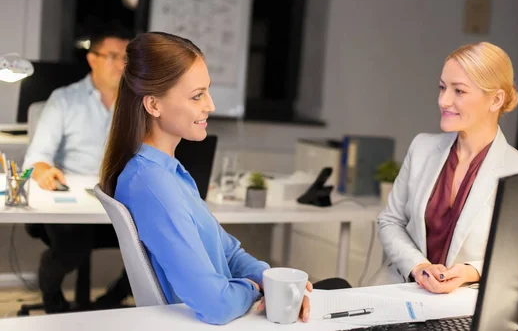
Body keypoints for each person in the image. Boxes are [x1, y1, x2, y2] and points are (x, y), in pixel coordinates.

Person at [101, 32, 318, 325]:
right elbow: (215, 303)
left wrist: (268, 280)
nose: (210, 106)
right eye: (197, 96)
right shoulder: (152, 184)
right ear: (153, 105)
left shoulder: (168, 171)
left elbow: (226, 249)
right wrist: (253, 291)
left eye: (207, 92)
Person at [376, 42, 518, 294]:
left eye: (459, 91)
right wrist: (418, 266)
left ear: (496, 99)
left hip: (464, 304)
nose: (444, 100)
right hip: (403, 293)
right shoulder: (421, 148)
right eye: (442, 88)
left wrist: (471, 271)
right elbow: (390, 221)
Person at [22, 25, 133, 313]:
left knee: (159, 244)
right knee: (73, 248)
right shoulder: (64, 99)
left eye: (127, 57)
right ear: (92, 58)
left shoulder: (138, 105)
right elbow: (37, 158)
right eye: (113, 56)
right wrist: (45, 171)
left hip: (120, 198)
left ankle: (109, 302)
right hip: (74, 202)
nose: (122, 64)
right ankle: (53, 301)